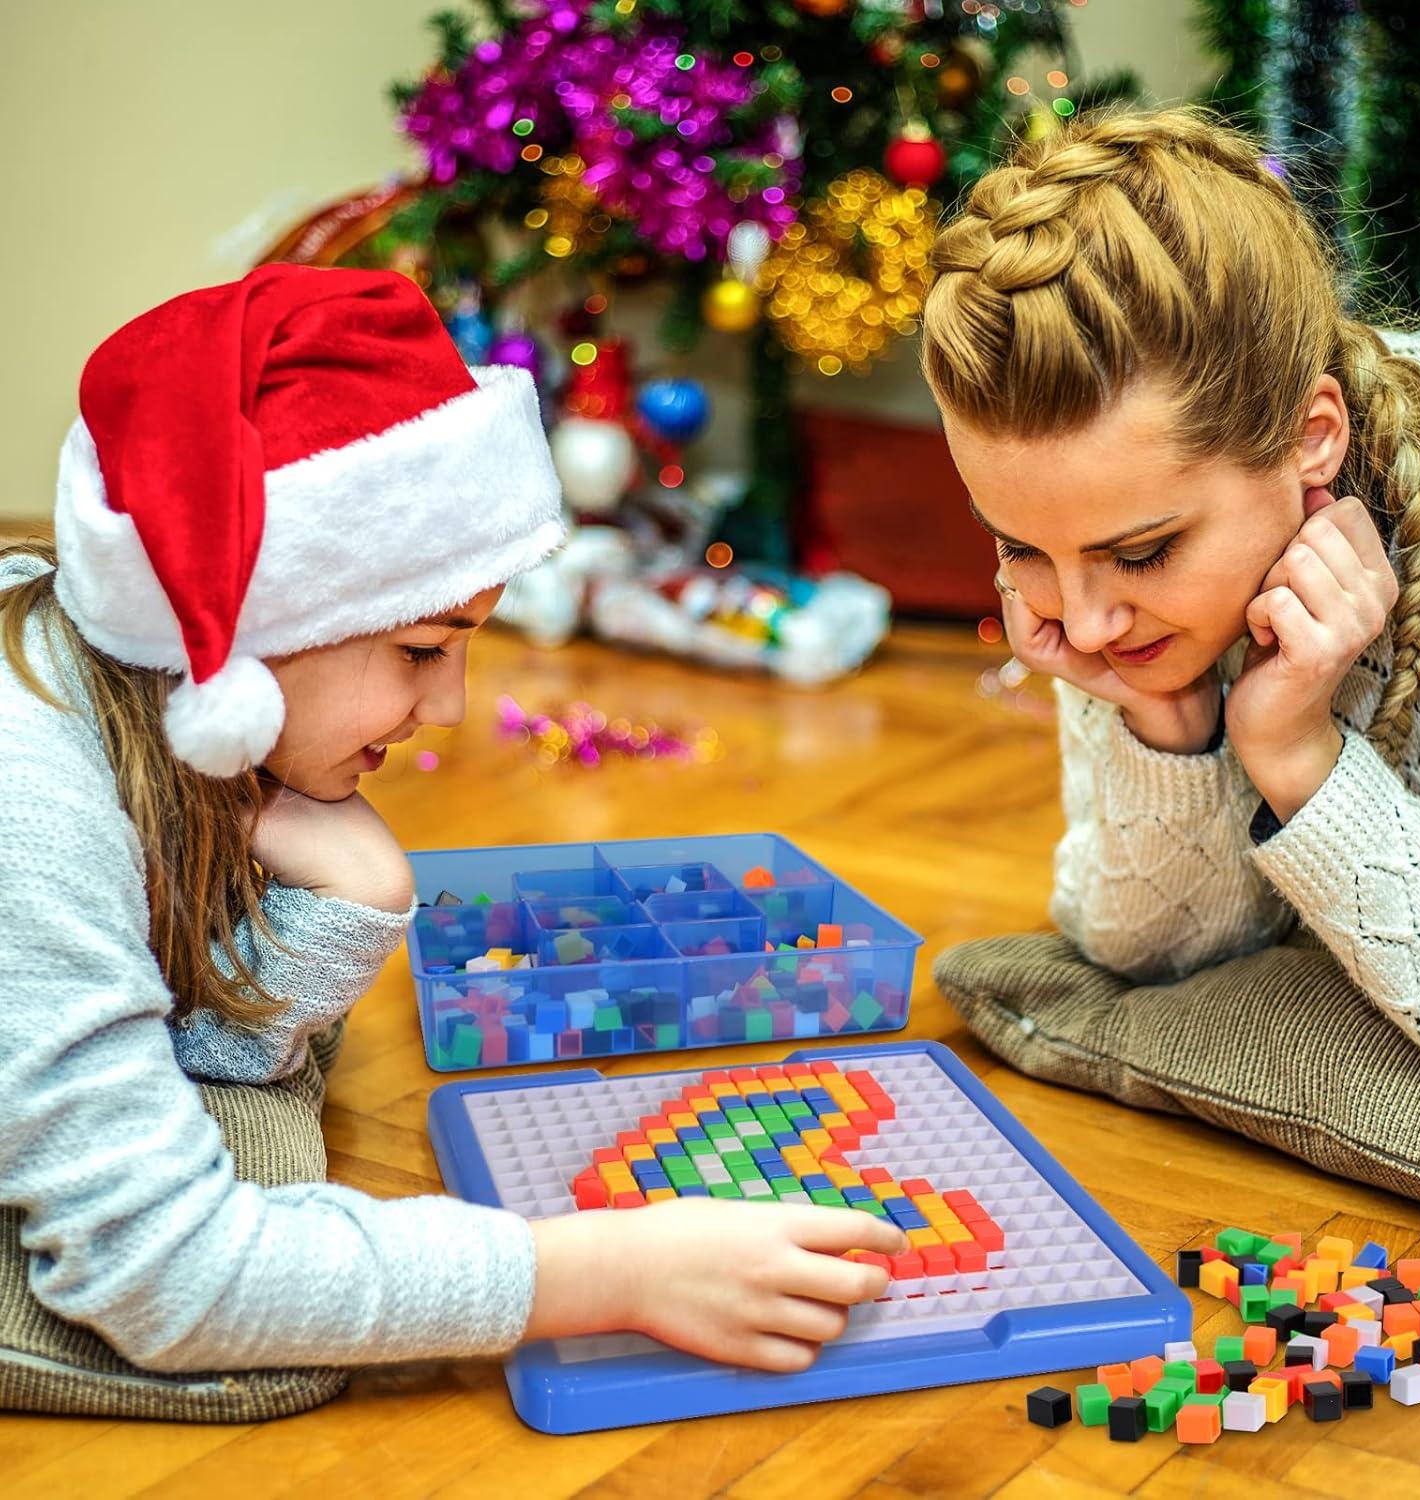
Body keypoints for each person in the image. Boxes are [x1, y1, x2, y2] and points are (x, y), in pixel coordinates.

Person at [0, 264, 903, 1414]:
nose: (449, 712)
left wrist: (356, 891)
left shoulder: (171, 724)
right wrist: (603, 1274)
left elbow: (214, 1061)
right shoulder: (32, 795)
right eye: (424, 651)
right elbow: (166, 1277)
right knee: (268, 1359)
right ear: (252, 625)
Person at [919, 105, 1420, 1139]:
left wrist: (1306, 764)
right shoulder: (1107, 573)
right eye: (1017, 548)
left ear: (1312, 438)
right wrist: (1169, 720)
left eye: (1141, 553)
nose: (1086, 624)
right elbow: (1146, 960)